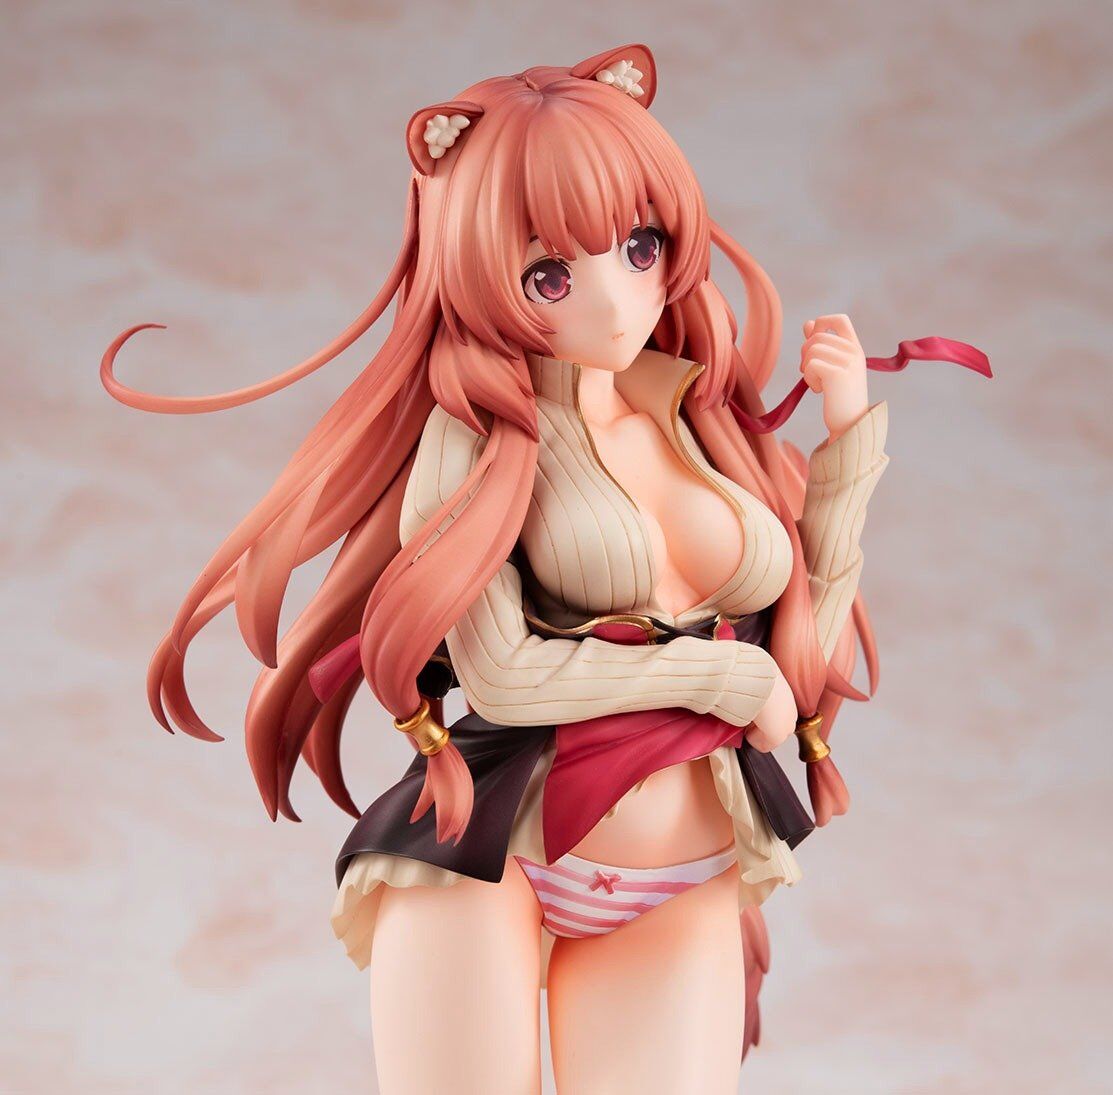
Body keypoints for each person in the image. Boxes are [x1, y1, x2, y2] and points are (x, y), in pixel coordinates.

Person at [103, 43, 985, 1095]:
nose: (615, 302)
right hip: (490, 856)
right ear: (480, 268)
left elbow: (796, 670)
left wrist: (845, 452)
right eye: (551, 276)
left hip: (685, 872)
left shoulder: (698, 420)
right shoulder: (479, 440)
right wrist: (718, 674)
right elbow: (507, 673)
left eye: (640, 247)